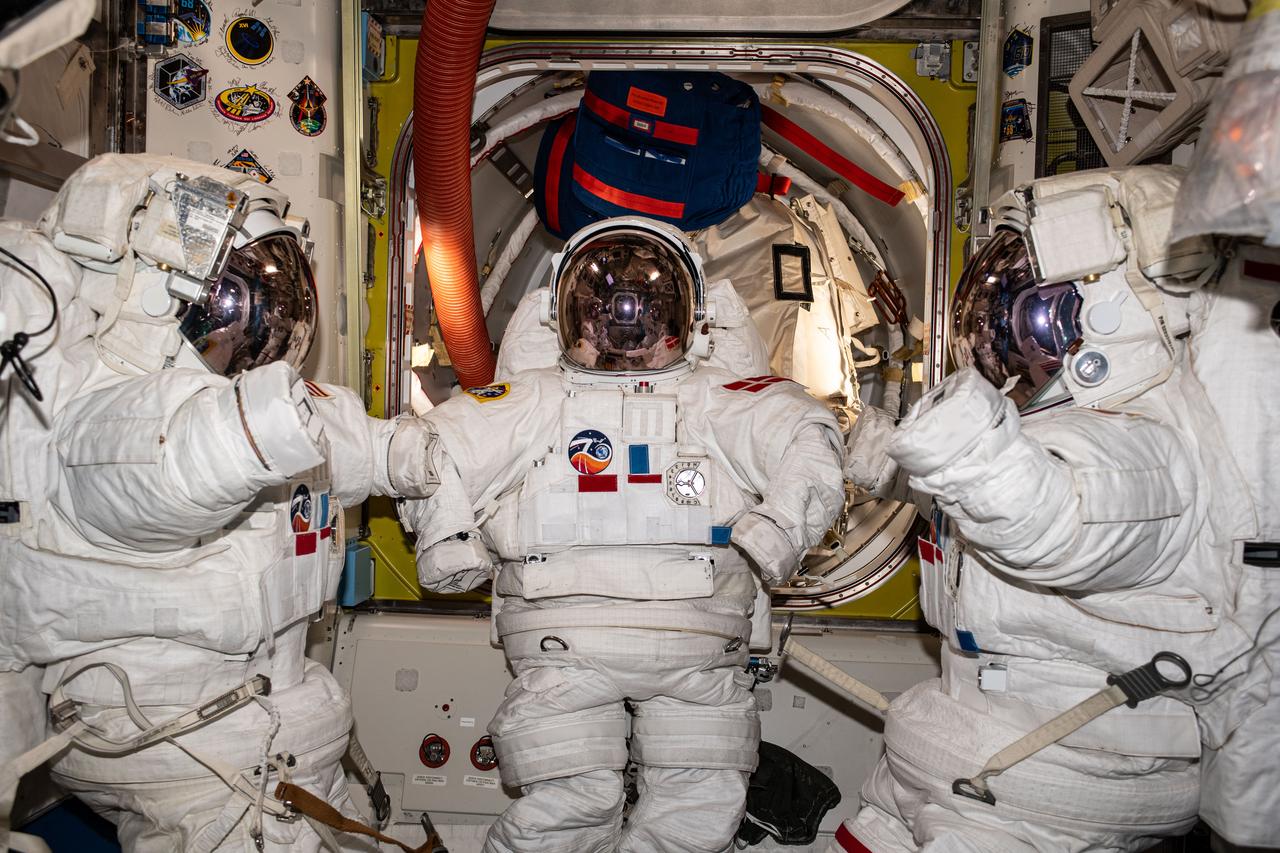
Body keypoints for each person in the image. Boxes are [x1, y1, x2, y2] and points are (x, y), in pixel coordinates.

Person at [0, 154, 438, 852]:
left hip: (278, 720)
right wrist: (257, 425)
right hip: (185, 740)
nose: (255, 335)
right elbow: (170, 464)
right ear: (161, 300)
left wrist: (421, 460)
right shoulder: (108, 413)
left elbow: (370, 447)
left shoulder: (278, 409)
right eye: (238, 308)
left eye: (275, 304)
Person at [838, 166, 1276, 852]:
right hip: (977, 740)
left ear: (1107, 316)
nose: (1008, 341)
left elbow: (1050, 517)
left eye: (1033, 318)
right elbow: (974, 499)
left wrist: (960, 439)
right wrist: (878, 454)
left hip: (1045, 777)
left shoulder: (1146, 448)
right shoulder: (1047, 437)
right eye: (1002, 312)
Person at [398, 217, 845, 853]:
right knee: (652, 807)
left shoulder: (721, 397)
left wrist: (778, 531)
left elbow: (810, 436)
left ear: (686, 318)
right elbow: (427, 450)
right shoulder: (536, 397)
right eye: (608, 307)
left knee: (645, 809)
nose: (628, 326)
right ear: (569, 318)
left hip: (635, 641)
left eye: (645, 307)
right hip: (614, 644)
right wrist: (448, 539)